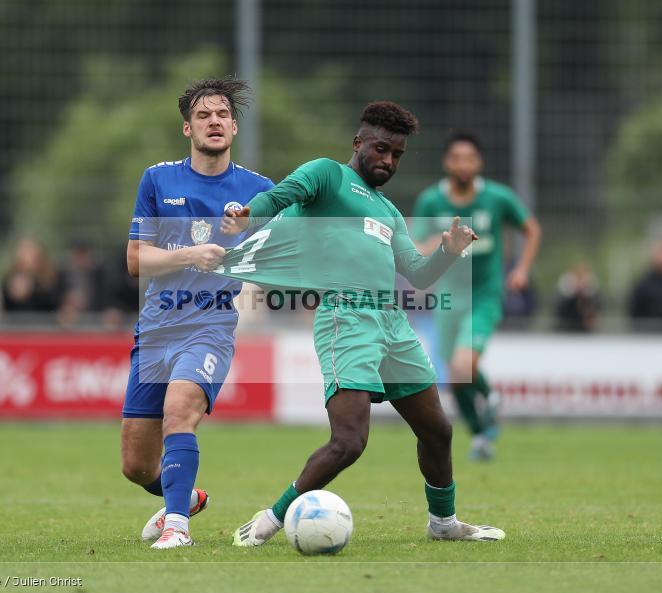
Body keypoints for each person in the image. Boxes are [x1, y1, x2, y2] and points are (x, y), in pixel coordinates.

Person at [221, 101, 505, 547]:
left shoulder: (389, 211)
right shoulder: (329, 176)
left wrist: (449, 250)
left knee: (438, 430)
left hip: (392, 322)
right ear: (358, 143)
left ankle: (444, 524)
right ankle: (271, 519)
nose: (388, 160)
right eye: (381, 149)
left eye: (397, 154)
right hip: (345, 318)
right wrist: (246, 214)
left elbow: (417, 272)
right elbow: (281, 196)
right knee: (349, 442)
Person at [123, 78, 274, 549]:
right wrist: (190, 255)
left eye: (223, 114)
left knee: (179, 411)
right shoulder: (157, 180)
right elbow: (135, 260)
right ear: (187, 127)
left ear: (234, 126)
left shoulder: (259, 192)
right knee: (135, 465)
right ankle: (181, 498)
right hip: (157, 327)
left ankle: (176, 528)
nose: (215, 121)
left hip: (209, 326)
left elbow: (279, 258)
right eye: (204, 115)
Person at [412, 132, 541, 461]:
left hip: (484, 295)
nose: (463, 164)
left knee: (462, 365)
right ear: (447, 163)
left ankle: (490, 395)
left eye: (470, 158)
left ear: (479, 163)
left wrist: (522, 269)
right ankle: (481, 435)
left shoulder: (497, 198)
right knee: (456, 378)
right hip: (448, 298)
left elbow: (531, 229)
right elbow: (417, 247)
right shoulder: (431, 201)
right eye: (457, 158)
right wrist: (446, 244)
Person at [1, 237, 60, 315]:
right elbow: (5, 307)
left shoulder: (48, 279)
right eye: (23, 253)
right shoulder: (9, 279)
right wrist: (13, 294)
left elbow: (53, 305)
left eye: (29, 252)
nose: (26, 257)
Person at [554, 261, 601, 332]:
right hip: (566, 328)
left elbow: (596, 309)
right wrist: (573, 292)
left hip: (587, 331)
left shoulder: (593, 293)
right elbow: (560, 309)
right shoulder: (564, 292)